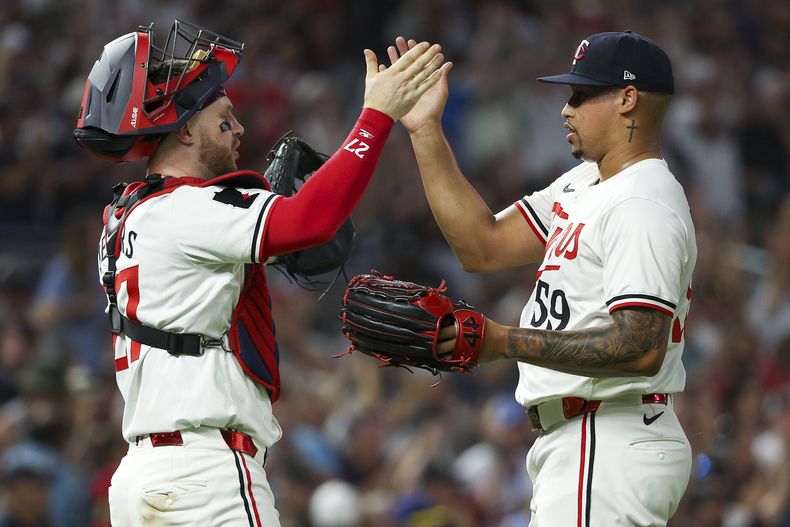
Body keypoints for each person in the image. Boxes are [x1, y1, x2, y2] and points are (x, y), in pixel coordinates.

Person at [73, 19, 445, 527]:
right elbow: (310, 221)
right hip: (207, 475)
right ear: (184, 129)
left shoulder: (128, 216)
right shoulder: (186, 210)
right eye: (224, 117)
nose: (240, 129)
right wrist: (376, 115)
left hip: (143, 476)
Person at [390, 31, 697, 525]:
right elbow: (482, 246)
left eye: (580, 95)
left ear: (627, 99)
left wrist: (504, 340)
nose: (565, 109)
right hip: (584, 440)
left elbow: (641, 346)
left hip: (607, 435)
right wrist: (426, 129)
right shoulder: (585, 183)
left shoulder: (642, 201)